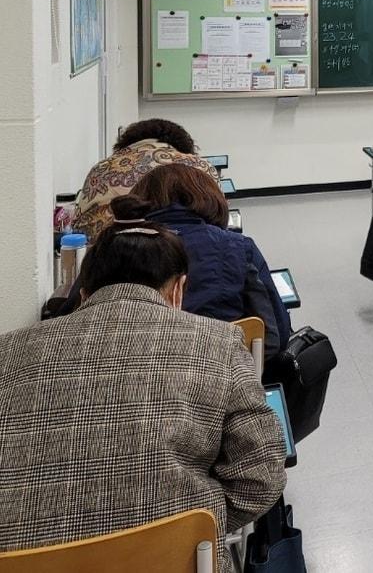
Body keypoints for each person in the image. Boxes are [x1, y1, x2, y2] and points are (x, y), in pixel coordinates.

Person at [0, 221, 286, 573]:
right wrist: (189, 526)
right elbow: (262, 478)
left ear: (84, 293)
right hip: (176, 560)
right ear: (179, 290)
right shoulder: (217, 342)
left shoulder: (7, 350)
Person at [116, 164, 291, 358]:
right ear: (210, 199)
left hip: (128, 378)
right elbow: (275, 336)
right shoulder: (238, 246)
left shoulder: (111, 248)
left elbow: (76, 316)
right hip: (223, 374)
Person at [73, 118, 218, 238]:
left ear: (125, 147)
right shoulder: (202, 167)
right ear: (184, 148)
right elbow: (218, 220)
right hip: (198, 257)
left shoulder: (104, 168)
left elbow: (82, 230)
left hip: (119, 259)